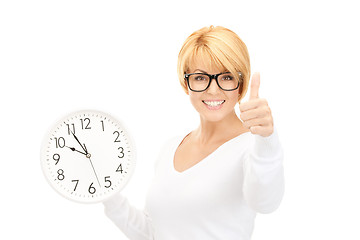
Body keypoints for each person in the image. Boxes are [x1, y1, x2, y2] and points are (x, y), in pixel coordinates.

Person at [103, 25, 285, 240]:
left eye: (226, 77)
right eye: (200, 77)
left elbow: (265, 202)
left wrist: (266, 139)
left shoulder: (251, 147)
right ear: (186, 83)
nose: (213, 89)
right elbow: (154, 233)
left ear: (241, 83)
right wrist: (108, 194)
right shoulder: (171, 147)